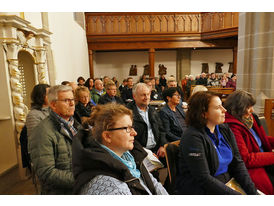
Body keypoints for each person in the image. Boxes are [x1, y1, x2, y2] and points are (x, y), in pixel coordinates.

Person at [72, 103, 168, 195]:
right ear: (107, 136)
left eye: (132, 127)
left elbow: (155, 186)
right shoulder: (106, 184)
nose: (134, 133)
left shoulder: (132, 160)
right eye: (127, 128)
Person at [175, 91, 258, 195]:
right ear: (203, 113)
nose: (224, 110)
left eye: (222, 106)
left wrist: (253, 193)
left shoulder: (224, 129)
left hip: (226, 182)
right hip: (201, 190)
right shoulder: (192, 137)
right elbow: (204, 178)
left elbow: (238, 164)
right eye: (218, 107)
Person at [29, 85, 82, 194]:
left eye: (72, 100)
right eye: (66, 100)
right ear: (53, 104)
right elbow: (46, 172)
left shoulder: (76, 125)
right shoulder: (41, 132)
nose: (72, 104)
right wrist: (81, 179)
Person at [224, 90, 274, 195]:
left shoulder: (250, 119)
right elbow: (246, 159)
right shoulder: (232, 126)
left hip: (264, 158)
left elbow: (261, 139)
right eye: (248, 107)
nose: (252, 110)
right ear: (237, 108)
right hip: (252, 167)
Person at [127, 83, 167, 159]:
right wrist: (145, 152)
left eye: (148, 94)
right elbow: (129, 137)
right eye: (143, 95)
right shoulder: (128, 113)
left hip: (156, 150)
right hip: (138, 151)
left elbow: (162, 130)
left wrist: (162, 145)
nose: (147, 97)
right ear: (134, 96)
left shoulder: (152, 110)